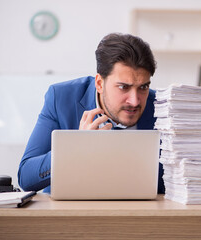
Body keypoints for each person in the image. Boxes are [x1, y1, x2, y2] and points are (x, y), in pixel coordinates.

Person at [18, 33, 165, 194]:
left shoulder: (163, 107)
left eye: (143, 87)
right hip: (71, 215)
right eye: (124, 87)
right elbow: (26, 177)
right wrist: (75, 147)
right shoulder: (61, 98)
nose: (135, 101)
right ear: (99, 84)